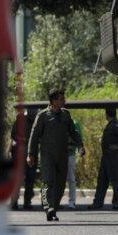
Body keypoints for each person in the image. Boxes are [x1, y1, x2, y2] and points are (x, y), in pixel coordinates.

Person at [27, 88, 83, 222]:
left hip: (62, 155)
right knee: (48, 181)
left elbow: (73, 132)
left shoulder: (66, 115)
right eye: (61, 99)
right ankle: (49, 208)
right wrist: (31, 154)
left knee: (60, 184)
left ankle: (53, 209)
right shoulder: (42, 116)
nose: (64, 101)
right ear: (53, 101)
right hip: (47, 155)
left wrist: (80, 145)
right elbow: (34, 136)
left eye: (64, 98)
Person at [90, 107, 118, 210]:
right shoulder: (112, 124)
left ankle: (116, 203)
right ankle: (97, 203)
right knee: (102, 180)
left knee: (115, 180)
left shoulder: (115, 125)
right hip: (106, 157)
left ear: (107, 114)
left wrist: (117, 146)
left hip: (113, 158)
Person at [9, 107, 39, 211]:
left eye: (35, 110)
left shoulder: (38, 120)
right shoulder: (20, 119)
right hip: (20, 154)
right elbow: (13, 135)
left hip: (32, 154)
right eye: (32, 110)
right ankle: (14, 202)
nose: (33, 112)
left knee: (30, 180)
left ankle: (27, 202)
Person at [65, 119, 85, 209]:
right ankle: (54, 201)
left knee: (71, 179)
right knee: (56, 179)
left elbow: (78, 138)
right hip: (57, 155)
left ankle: (72, 202)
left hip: (70, 154)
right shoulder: (55, 120)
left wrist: (80, 149)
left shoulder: (74, 123)